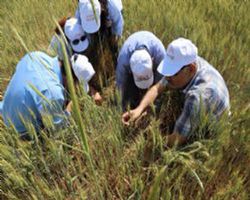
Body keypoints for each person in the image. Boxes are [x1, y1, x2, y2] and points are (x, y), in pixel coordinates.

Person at [122, 38, 230, 147]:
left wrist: (147, 140)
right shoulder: (189, 62)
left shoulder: (197, 97)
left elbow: (177, 139)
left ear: (191, 69)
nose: (167, 77)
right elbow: (157, 88)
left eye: (172, 73)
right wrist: (138, 110)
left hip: (213, 125)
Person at [0, 51, 95, 140]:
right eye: (77, 85)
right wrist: (70, 107)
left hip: (5, 108)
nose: (76, 89)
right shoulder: (53, 93)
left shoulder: (36, 55)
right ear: (70, 78)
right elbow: (58, 130)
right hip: (20, 129)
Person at [48, 17, 103, 104]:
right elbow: (69, 74)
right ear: (68, 41)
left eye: (83, 39)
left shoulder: (82, 28)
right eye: (76, 42)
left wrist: (93, 91)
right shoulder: (62, 48)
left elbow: (81, 68)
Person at [116, 31, 165, 111]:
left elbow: (161, 83)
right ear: (131, 70)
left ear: (152, 62)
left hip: (154, 54)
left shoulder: (160, 54)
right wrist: (121, 106)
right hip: (128, 55)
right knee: (129, 91)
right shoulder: (123, 61)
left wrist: (154, 105)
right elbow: (120, 85)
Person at [75, 0, 124, 68]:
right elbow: (81, 29)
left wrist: (114, 37)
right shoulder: (81, 9)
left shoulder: (112, 7)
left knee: (113, 47)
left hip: (110, 16)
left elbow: (118, 23)